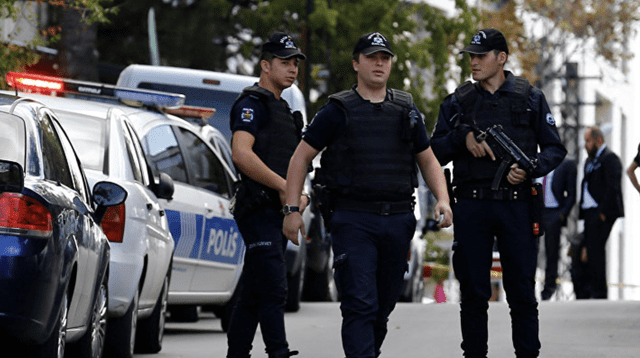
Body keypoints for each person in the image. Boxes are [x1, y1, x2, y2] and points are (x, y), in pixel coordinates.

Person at [282, 31, 453, 358]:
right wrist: (292, 209)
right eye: (372, 57)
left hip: (398, 219)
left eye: (385, 58)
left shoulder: (406, 109)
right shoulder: (338, 110)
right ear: (356, 63)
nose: (379, 63)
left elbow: (427, 158)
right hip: (353, 219)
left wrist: (442, 199)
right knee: (360, 303)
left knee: (382, 306)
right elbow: (300, 157)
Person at [430, 28, 566, 358]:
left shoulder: (531, 97)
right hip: (472, 206)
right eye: (471, 56)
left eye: (481, 56)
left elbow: (554, 148)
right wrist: (462, 140)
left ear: (501, 58)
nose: (474, 62)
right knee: (474, 293)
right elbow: (433, 151)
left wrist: (530, 167)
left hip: (517, 207)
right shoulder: (458, 102)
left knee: (521, 292)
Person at [226, 32, 307, 358]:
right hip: (258, 207)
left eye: (295, 64)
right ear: (265, 65)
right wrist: (285, 189)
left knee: (254, 290)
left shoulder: (285, 111)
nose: (292, 69)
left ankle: (237, 353)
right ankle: (278, 351)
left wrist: (299, 198)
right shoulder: (251, 104)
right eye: (284, 63)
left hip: (278, 209)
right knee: (274, 286)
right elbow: (241, 154)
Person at [578, 126, 624, 299]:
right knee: (591, 250)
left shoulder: (610, 158)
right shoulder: (590, 162)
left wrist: (603, 211)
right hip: (590, 212)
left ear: (598, 141)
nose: (585, 145)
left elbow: (613, 187)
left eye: (588, 141)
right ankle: (593, 289)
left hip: (603, 212)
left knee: (597, 249)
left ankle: (599, 292)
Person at [538, 158, 577, 300]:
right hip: (537, 210)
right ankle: (527, 285)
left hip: (554, 212)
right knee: (531, 249)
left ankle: (548, 288)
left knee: (551, 251)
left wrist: (562, 215)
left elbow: (571, 194)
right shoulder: (537, 161)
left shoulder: (565, 164)